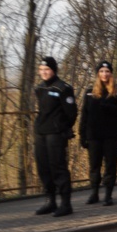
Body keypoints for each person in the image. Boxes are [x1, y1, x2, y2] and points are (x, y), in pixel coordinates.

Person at [80, 61, 117, 206]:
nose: (104, 74)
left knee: (110, 165)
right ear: (97, 74)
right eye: (101, 71)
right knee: (94, 165)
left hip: (112, 135)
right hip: (94, 135)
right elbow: (84, 115)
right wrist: (82, 135)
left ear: (111, 73)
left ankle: (108, 195)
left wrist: (109, 106)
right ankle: (94, 193)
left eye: (107, 71)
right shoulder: (90, 91)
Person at [34, 57, 78, 217]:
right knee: (43, 168)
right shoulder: (39, 88)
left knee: (58, 168)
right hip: (41, 133)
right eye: (41, 70)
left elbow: (71, 113)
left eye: (47, 69)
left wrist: (63, 128)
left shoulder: (63, 88)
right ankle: (50, 201)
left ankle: (66, 204)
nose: (44, 73)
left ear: (53, 70)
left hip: (56, 134)